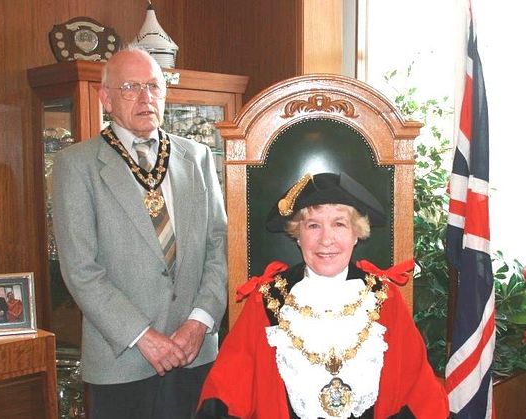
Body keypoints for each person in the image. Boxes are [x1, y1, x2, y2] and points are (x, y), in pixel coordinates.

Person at [52, 46, 227, 419]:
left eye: (154, 86)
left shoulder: (197, 157)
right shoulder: (76, 165)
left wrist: (199, 322)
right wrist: (144, 338)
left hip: (194, 355)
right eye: (131, 87)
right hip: (123, 361)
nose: (146, 98)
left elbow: (220, 248)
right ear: (106, 99)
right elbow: (81, 271)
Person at [197, 172, 448, 418]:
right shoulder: (268, 300)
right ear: (298, 236)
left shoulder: (384, 298)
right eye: (313, 226)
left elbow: (418, 390)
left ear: (356, 234)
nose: (326, 239)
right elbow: (227, 390)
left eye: (339, 224)